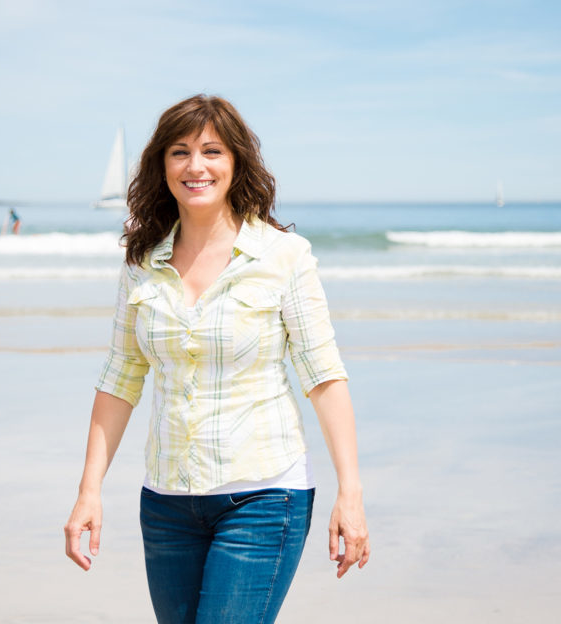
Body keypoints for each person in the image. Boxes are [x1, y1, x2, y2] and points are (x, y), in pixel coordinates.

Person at [64, 94, 370, 623]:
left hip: (264, 495)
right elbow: (120, 379)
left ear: (236, 163)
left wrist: (352, 493)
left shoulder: (282, 256)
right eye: (180, 152)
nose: (196, 166)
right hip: (165, 504)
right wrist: (88, 492)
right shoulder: (142, 262)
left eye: (212, 151)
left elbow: (323, 376)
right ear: (161, 167)